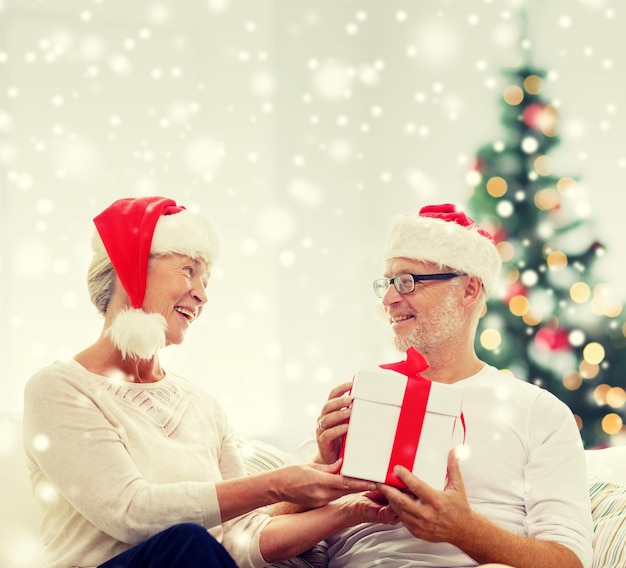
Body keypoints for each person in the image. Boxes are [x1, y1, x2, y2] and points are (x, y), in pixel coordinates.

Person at [22, 196, 397, 568]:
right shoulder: (58, 388)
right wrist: (276, 484)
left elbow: (239, 540)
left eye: (206, 279)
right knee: (187, 542)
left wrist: (353, 510)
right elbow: (132, 513)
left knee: (196, 546)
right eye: (188, 270)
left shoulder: (202, 404)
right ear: (130, 268)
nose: (202, 295)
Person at [310, 203, 594, 567]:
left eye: (407, 281)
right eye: (388, 282)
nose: (389, 299)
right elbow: (266, 526)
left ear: (469, 290)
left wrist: (463, 530)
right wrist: (322, 462)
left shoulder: (539, 412)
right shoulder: (361, 397)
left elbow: (568, 562)